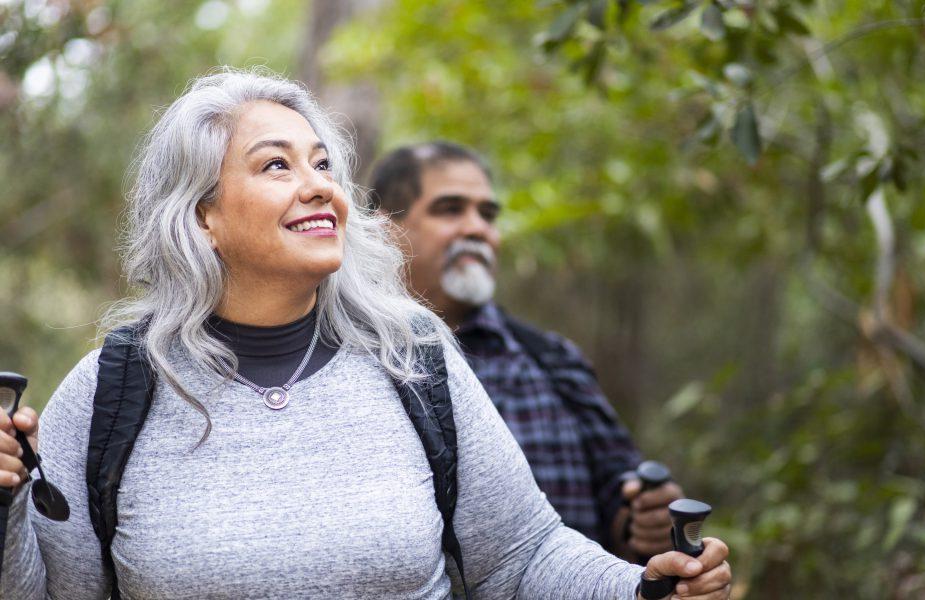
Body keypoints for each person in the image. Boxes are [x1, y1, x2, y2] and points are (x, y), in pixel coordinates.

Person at [0, 69, 730, 599]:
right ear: (202, 217)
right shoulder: (113, 385)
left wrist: (643, 591)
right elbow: (50, 590)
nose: (319, 185)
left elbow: (523, 556)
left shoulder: (410, 353)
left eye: (323, 164)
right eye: (276, 166)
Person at [368, 141, 684, 562]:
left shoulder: (551, 359)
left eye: (488, 214)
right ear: (384, 228)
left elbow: (618, 495)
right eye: (450, 209)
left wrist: (646, 519)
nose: (476, 228)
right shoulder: (345, 361)